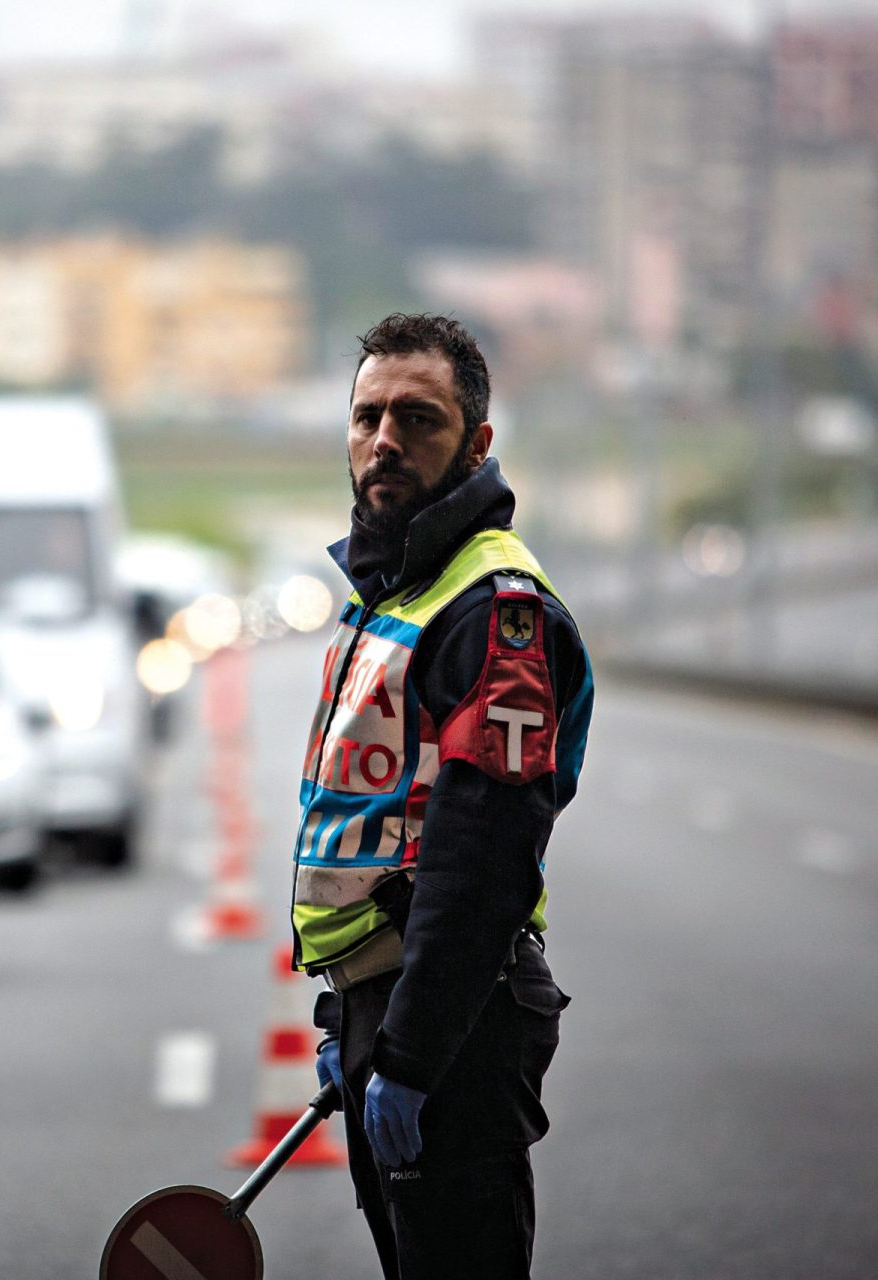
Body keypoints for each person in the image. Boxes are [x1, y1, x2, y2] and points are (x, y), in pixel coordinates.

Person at [295, 313, 593, 1278]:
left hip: (453, 1022)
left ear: (476, 445)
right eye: (367, 416)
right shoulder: (392, 592)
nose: (385, 440)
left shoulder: (491, 608)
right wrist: (349, 1015)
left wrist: (412, 1057)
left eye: (418, 420)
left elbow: (484, 856)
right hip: (386, 1007)